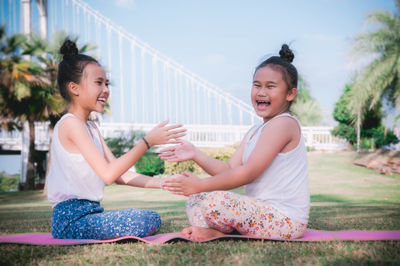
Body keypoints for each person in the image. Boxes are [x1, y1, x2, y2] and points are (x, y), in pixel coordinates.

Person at [159, 44, 309, 241]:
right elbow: (229, 168)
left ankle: (216, 231)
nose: (261, 92)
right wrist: (195, 154)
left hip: (286, 219)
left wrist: (199, 184)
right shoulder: (255, 131)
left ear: (290, 94)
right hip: (258, 212)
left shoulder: (284, 124)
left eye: (270, 86)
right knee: (196, 200)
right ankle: (215, 232)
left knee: (215, 200)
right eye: (257, 85)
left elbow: (248, 173)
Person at [47, 39, 186, 240]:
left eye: (107, 83)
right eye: (98, 83)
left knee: (151, 217)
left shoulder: (91, 127)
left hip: (91, 215)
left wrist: (164, 183)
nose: (106, 90)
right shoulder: (70, 123)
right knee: (143, 220)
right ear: (74, 88)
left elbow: (120, 174)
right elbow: (108, 174)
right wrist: (147, 142)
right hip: (70, 221)